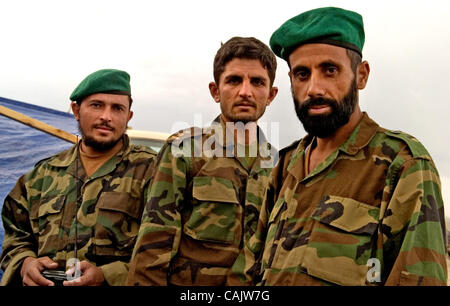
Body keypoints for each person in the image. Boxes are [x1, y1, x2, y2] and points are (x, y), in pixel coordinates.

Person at [228, 7, 447, 286]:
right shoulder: (286, 165)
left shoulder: (403, 165)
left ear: (362, 75)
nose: (314, 89)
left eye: (330, 70)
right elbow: (249, 270)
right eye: (302, 74)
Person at [126, 36, 279, 286]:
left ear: (271, 95)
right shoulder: (185, 151)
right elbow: (153, 246)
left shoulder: (277, 165)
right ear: (215, 91)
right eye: (234, 80)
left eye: (257, 82)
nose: (245, 91)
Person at [0, 69, 157, 286]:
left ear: (128, 116)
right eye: (96, 105)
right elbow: (16, 237)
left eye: (117, 108)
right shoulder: (42, 175)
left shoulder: (154, 172)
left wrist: (108, 276)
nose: (106, 116)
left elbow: (168, 251)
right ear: (76, 110)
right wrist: (25, 263)